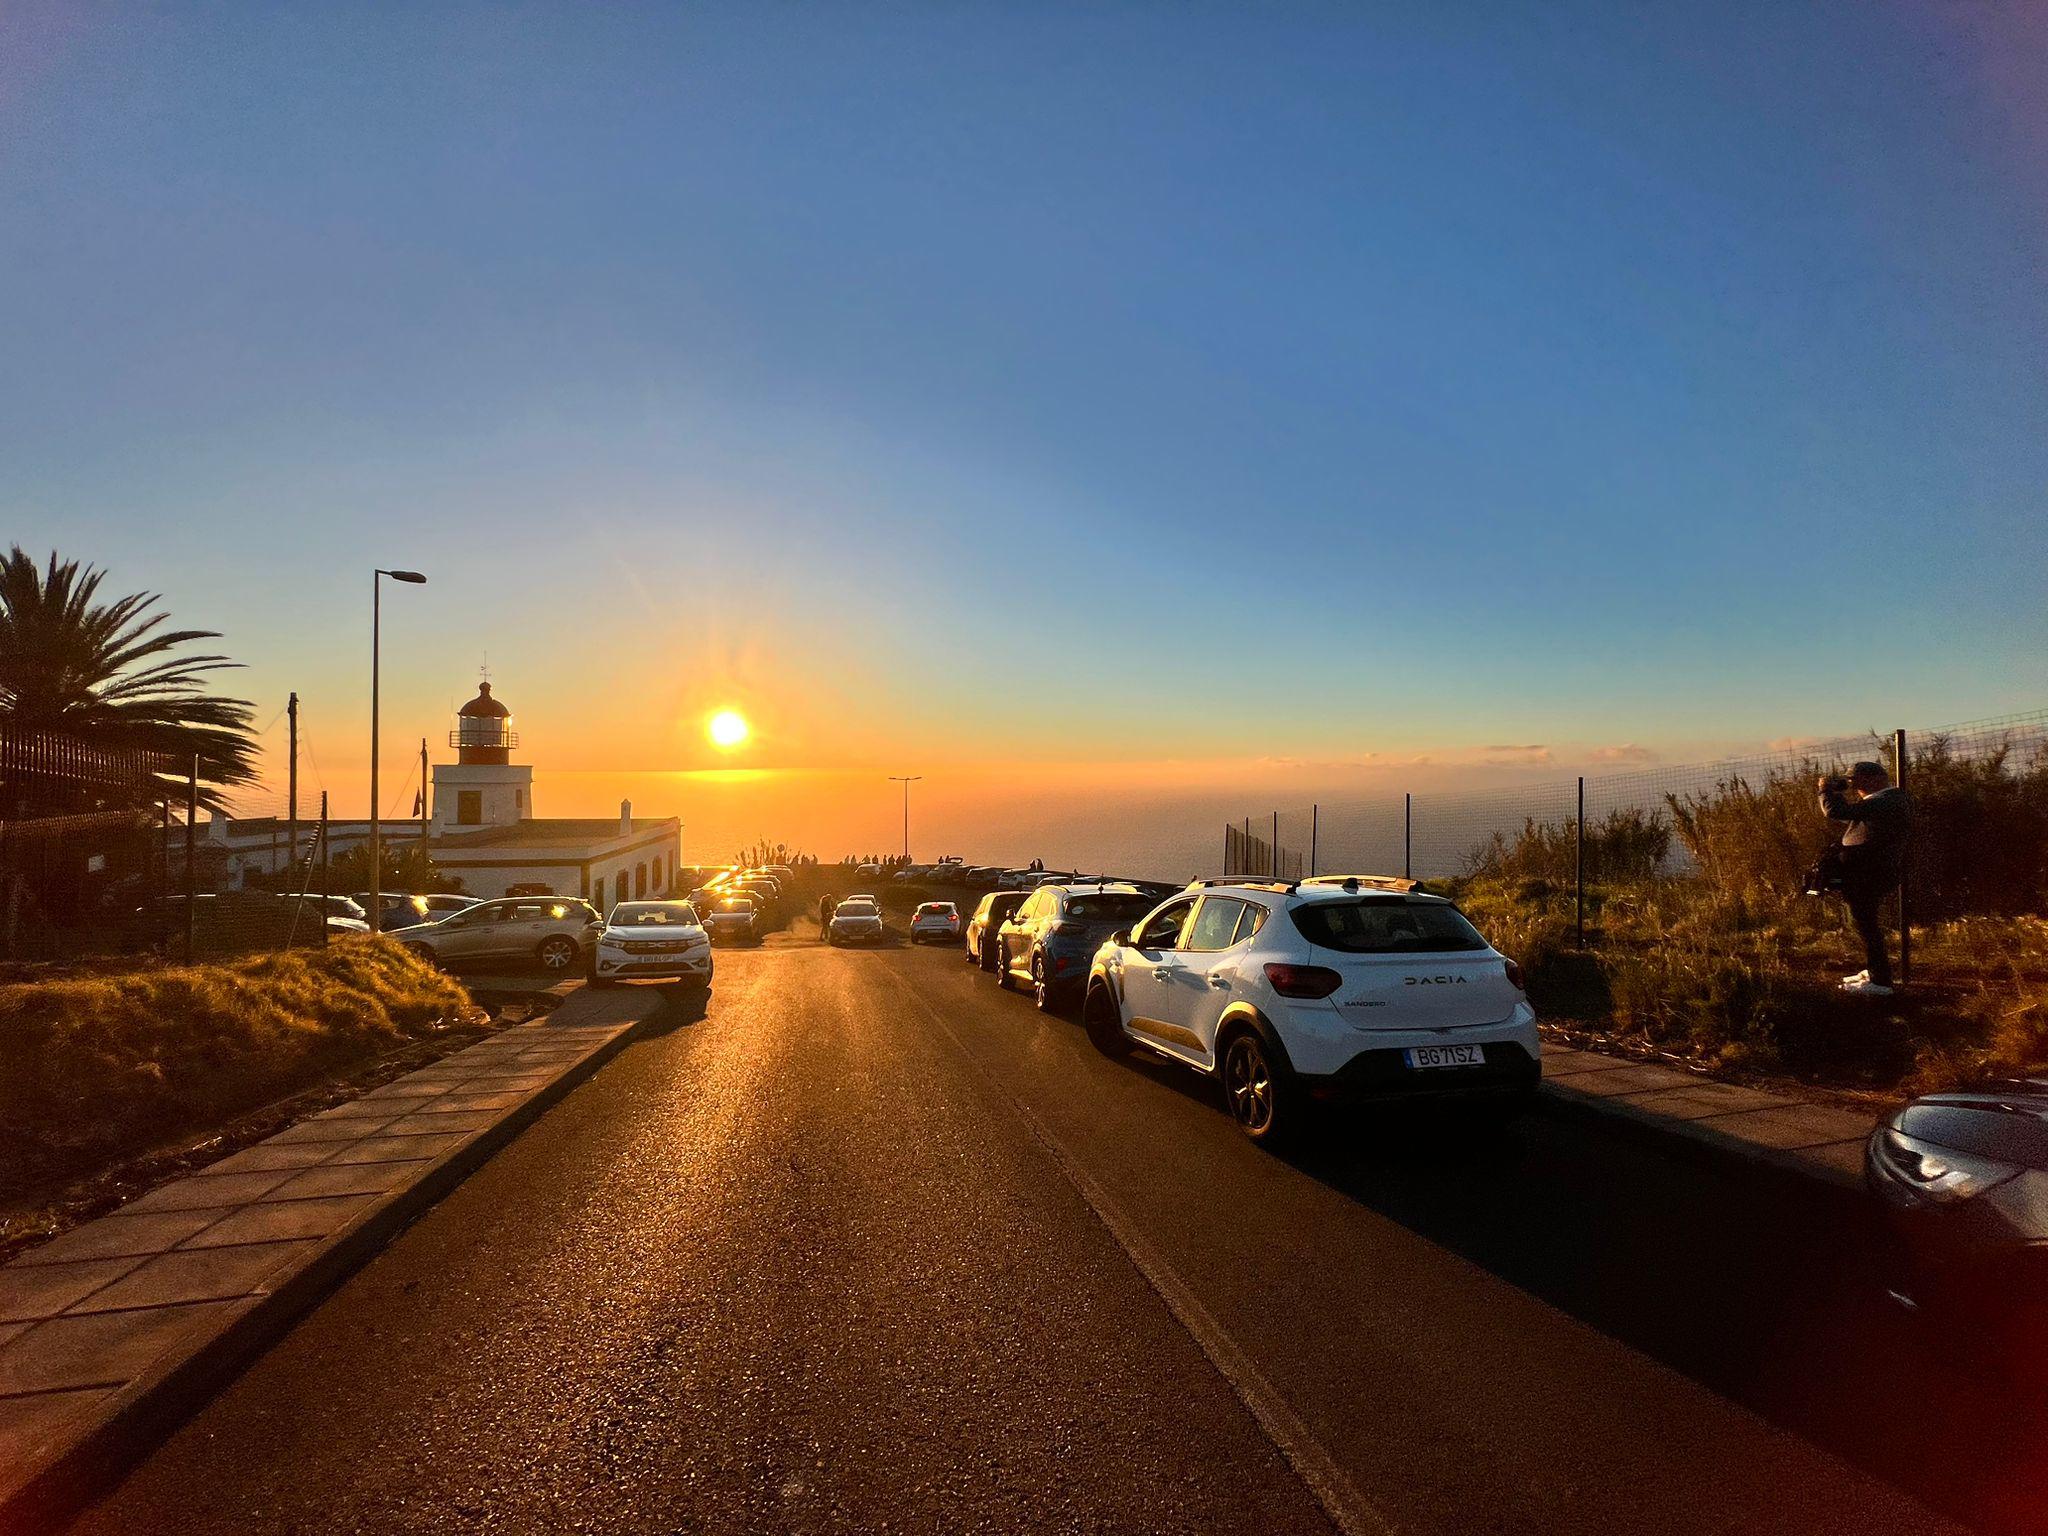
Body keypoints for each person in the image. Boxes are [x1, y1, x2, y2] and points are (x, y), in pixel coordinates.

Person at [1818, 760, 1912, 995]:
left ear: (1874, 780)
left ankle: (1880, 982)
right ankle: (1874, 972)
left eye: (1855, 781)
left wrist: (1825, 790)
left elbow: (1835, 812)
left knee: (1866, 924)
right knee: (1865, 922)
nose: (1853, 786)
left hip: (1870, 873)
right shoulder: (1890, 800)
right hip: (1872, 871)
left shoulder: (1885, 801)